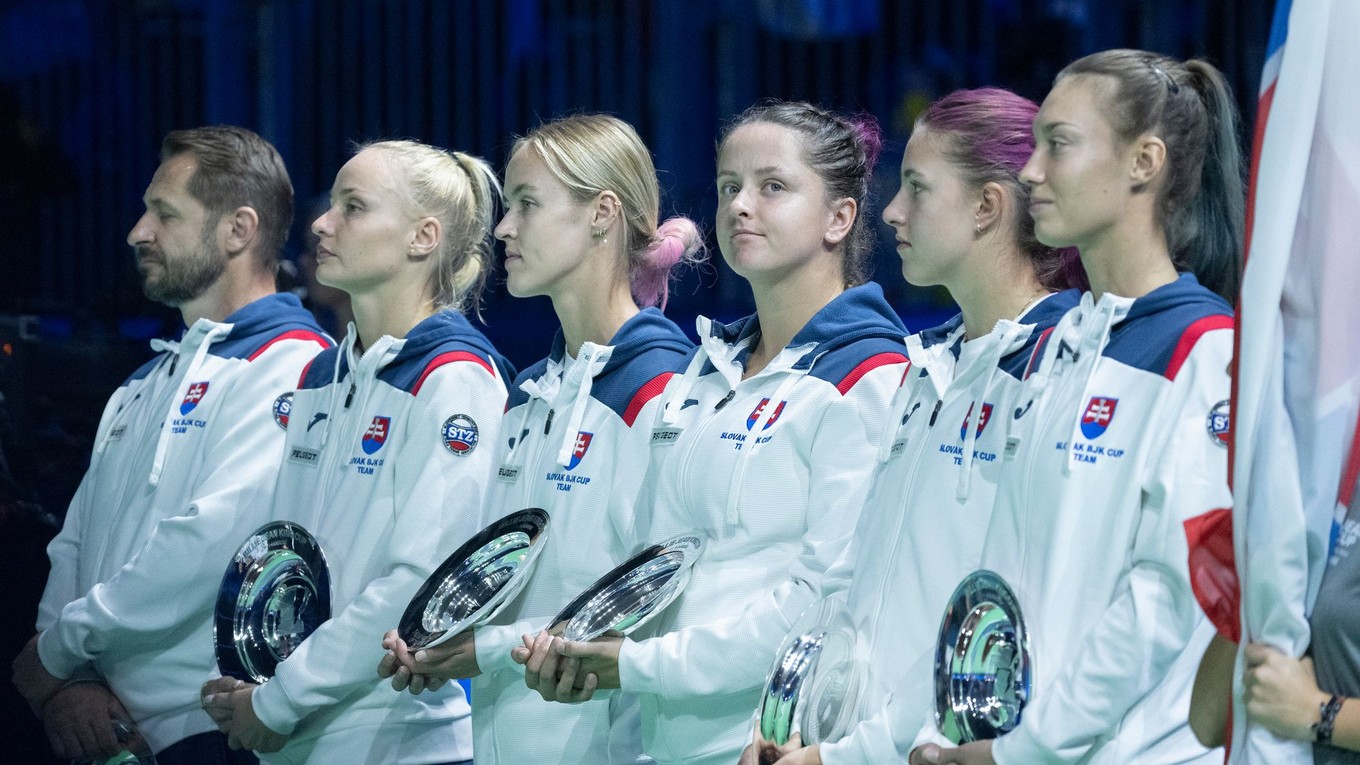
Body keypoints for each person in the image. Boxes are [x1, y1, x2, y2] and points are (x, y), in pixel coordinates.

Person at [517, 100, 911, 765]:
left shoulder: (870, 375)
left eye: (773, 187)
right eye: (729, 187)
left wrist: (641, 663)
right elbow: (655, 561)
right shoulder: (706, 369)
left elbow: (821, 602)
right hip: (664, 740)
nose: (740, 206)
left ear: (840, 218)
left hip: (767, 745)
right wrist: (572, 642)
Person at [910, 48, 1243, 765]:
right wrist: (951, 730)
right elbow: (997, 576)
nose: (1030, 171)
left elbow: (1165, 600)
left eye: (1058, 144)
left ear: (1143, 162)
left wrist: (1019, 750)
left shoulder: (1206, 350)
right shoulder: (1056, 342)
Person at [744, 87, 1085, 765]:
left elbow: (1000, 626)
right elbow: (853, 575)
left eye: (918, 189)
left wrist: (848, 755)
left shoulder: (1058, 372)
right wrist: (784, 714)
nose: (894, 212)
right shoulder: (926, 367)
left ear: (988, 207)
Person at [376, 112, 704, 764]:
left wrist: (482, 649)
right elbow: (510, 578)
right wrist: (440, 637)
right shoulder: (529, 391)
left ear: (601, 214)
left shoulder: (665, 385)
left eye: (526, 203)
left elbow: (645, 600)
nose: (503, 227)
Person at [9, 126, 331, 765]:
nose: (138, 232)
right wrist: (69, 683)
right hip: (109, 729)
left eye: (164, 213)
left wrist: (56, 653)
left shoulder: (297, 367)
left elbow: (211, 542)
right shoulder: (145, 380)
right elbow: (72, 544)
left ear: (239, 230)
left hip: (215, 732)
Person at [200, 140, 513, 764]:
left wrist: (278, 699)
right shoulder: (321, 375)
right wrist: (252, 674)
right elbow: (282, 557)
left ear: (423, 237)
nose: (321, 223)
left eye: (354, 206)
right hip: (292, 735)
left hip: (397, 741)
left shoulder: (455, 377)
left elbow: (417, 583)